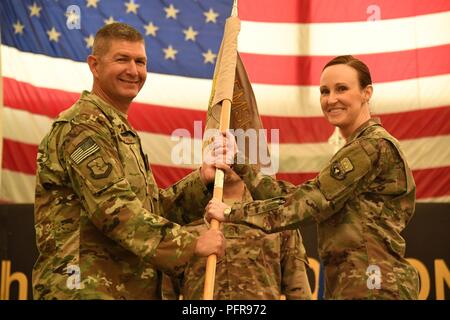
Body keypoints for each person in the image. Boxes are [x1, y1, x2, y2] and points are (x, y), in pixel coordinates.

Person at [33, 23, 225, 300]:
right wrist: (191, 244)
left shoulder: (118, 129)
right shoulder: (82, 126)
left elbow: (150, 210)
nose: (133, 71)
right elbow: (115, 212)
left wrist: (202, 180)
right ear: (94, 65)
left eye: (140, 61)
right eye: (122, 59)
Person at [206, 55, 419, 299]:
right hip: (357, 283)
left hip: (372, 284)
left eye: (342, 89)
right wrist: (239, 162)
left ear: (366, 92)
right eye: (324, 91)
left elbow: (307, 205)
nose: (331, 99)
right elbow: (300, 198)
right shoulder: (360, 147)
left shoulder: (370, 147)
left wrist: (232, 212)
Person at [162, 169, 312, 300]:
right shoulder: (184, 215)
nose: (227, 161)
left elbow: (298, 290)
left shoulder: (274, 216)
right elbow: (166, 292)